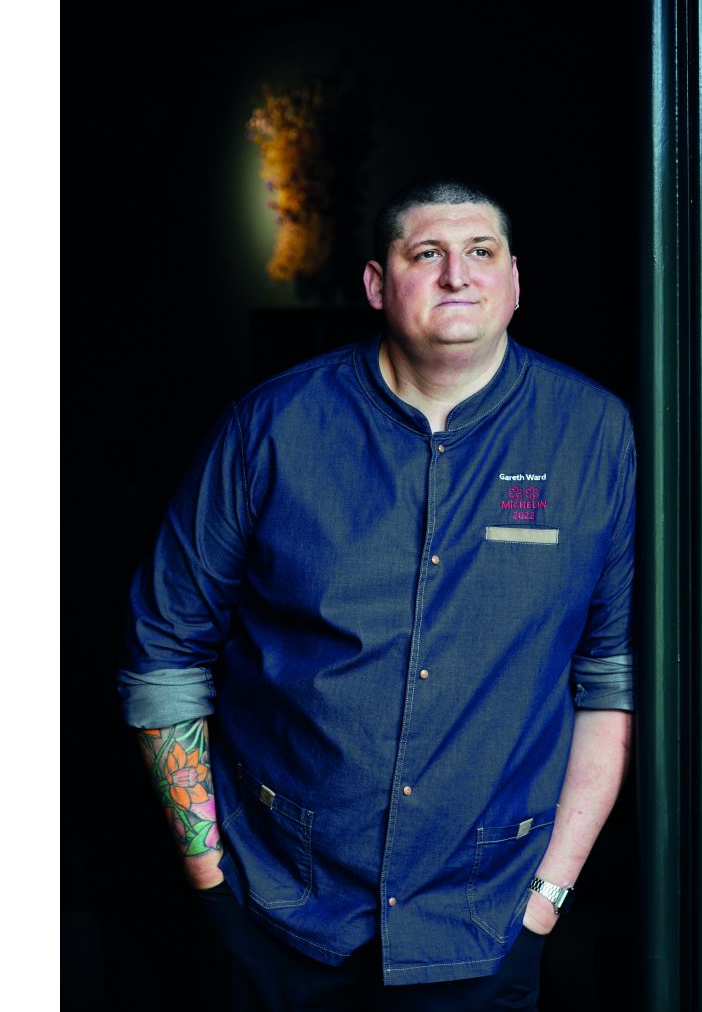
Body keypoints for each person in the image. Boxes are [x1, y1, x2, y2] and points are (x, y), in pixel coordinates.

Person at [118, 176, 636, 1011]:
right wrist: (209, 876)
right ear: (375, 283)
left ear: (514, 280)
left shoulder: (595, 433)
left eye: (481, 252)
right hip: (278, 912)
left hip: (487, 921)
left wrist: (548, 897)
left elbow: (608, 677)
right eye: (426, 253)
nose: (456, 274)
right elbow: (165, 652)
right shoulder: (269, 427)